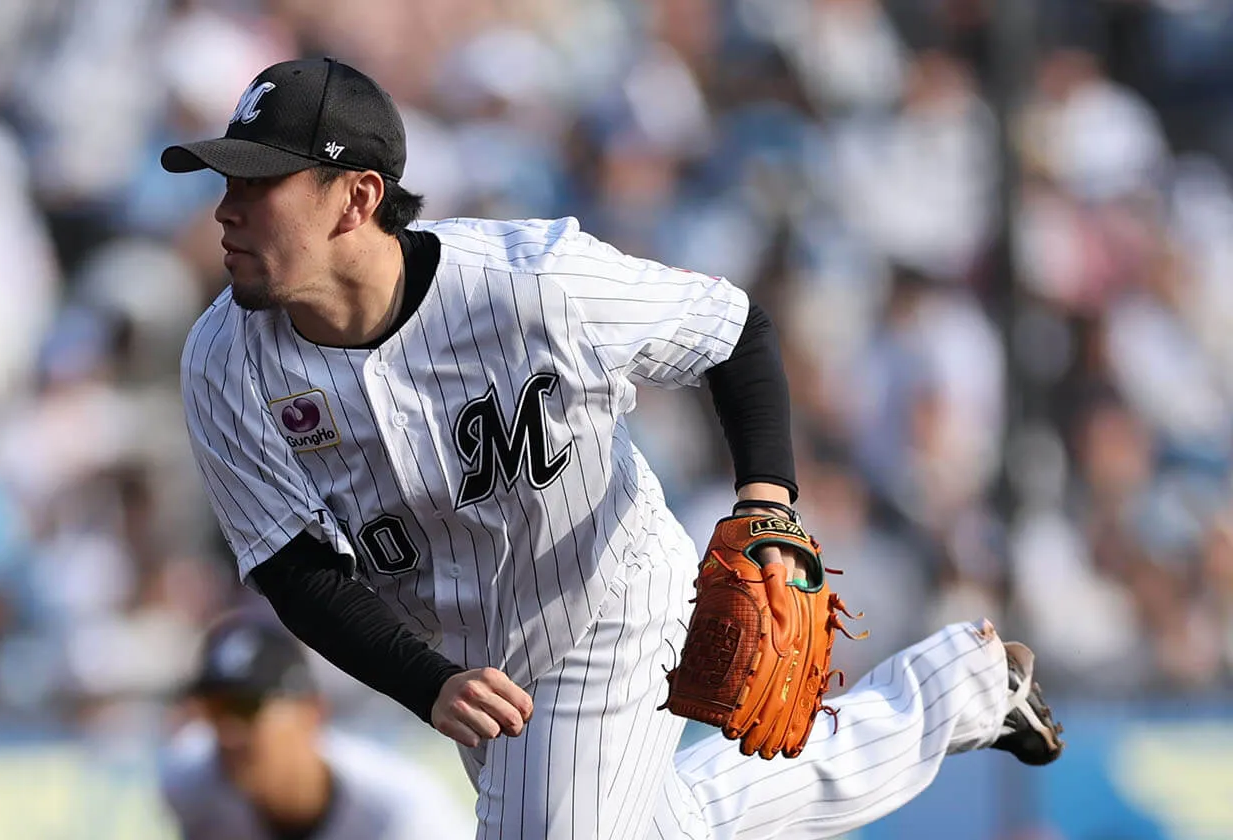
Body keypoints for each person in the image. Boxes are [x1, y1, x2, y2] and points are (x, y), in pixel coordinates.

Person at [164, 56, 1064, 839]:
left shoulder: (531, 284)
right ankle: (962, 688)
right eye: (225, 183)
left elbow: (732, 331)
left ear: (358, 198)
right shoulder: (223, 362)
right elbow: (294, 568)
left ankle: (958, 689)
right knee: (676, 824)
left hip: (607, 600)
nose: (226, 210)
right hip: (475, 659)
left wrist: (766, 499)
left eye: (258, 185)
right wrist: (423, 679)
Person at [161, 614, 477, 839]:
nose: (228, 734)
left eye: (247, 707)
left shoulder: (400, 817)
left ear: (312, 713)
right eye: (214, 710)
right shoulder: (190, 779)